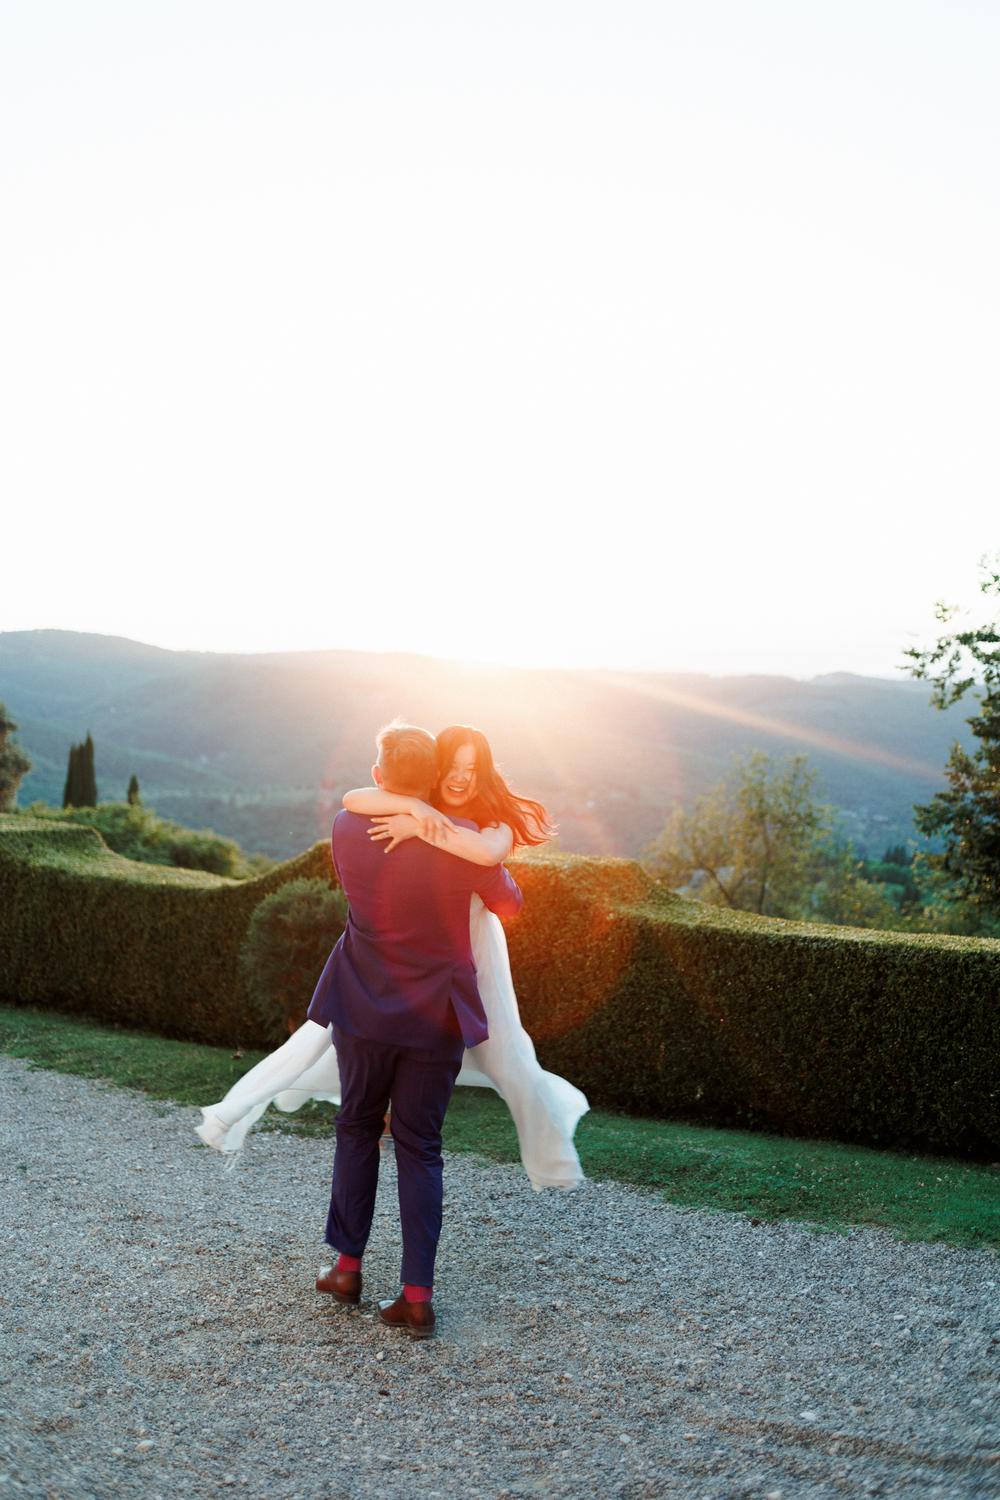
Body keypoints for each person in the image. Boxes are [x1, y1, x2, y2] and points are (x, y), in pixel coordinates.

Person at [196, 725, 589, 1191]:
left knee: (508, 1058)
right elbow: (354, 797)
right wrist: (417, 809)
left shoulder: (487, 823)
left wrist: (422, 827)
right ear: (436, 770)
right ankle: (367, 1109)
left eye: (472, 769)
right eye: (453, 768)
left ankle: (552, 1160)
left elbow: (496, 874)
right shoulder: (416, 807)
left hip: (473, 953)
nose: (461, 778)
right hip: (412, 955)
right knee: (337, 1045)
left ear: (482, 775)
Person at [313, 721, 524, 1336]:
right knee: (420, 1147)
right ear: (432, 778)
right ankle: (416, 1296)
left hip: (363, 1004)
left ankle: (347, 1267)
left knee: (355, 1126)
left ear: (381, 776)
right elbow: (509, 903)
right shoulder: (460, 839)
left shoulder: (347, 825)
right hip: (436, 1015)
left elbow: (356, 801)